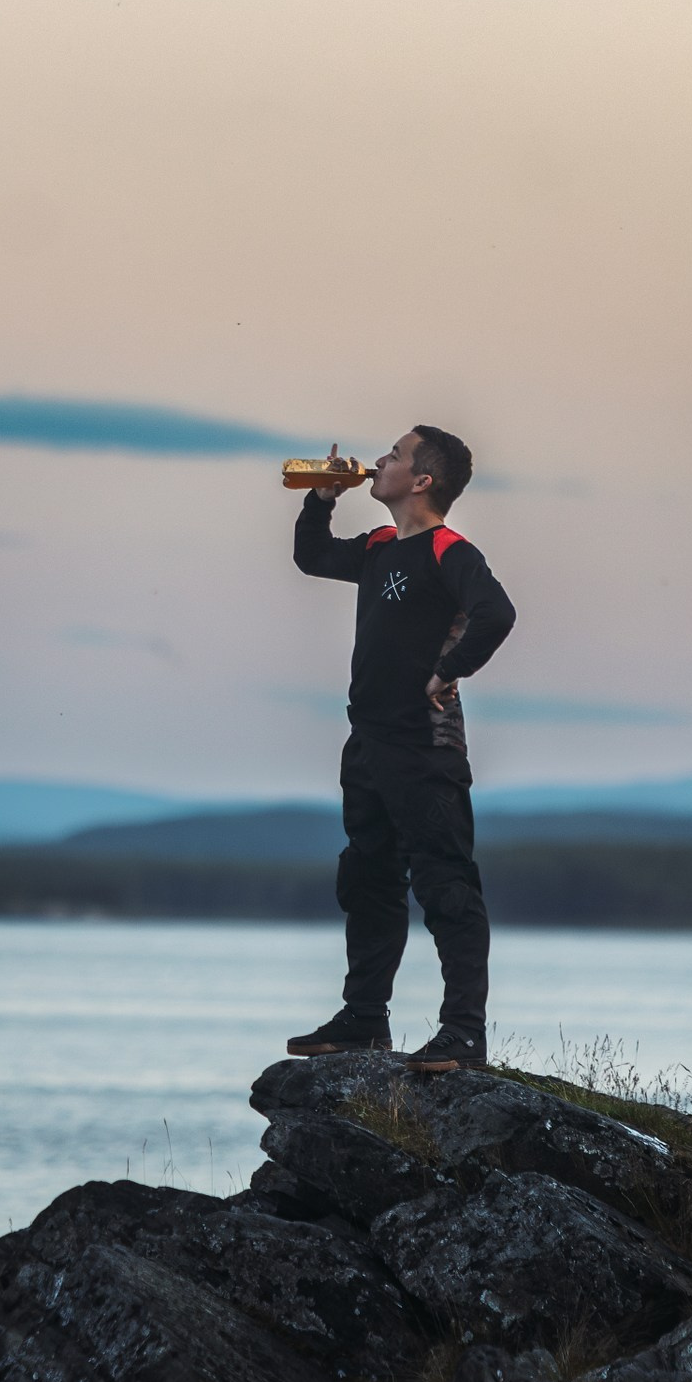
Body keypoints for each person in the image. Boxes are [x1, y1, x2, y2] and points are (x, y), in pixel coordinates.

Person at [285, 426, 516, 1072]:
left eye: (396, 454)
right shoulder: (382, 545)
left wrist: (451, 669)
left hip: (426, 744)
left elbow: (496, 612)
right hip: (369, 742)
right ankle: (365, 1020)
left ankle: (463, 1035)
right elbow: (311, 556)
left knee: (446, 884)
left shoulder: (449, 550)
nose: (380, 459)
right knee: (367, 878)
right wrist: (322, 497)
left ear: (421, 481)